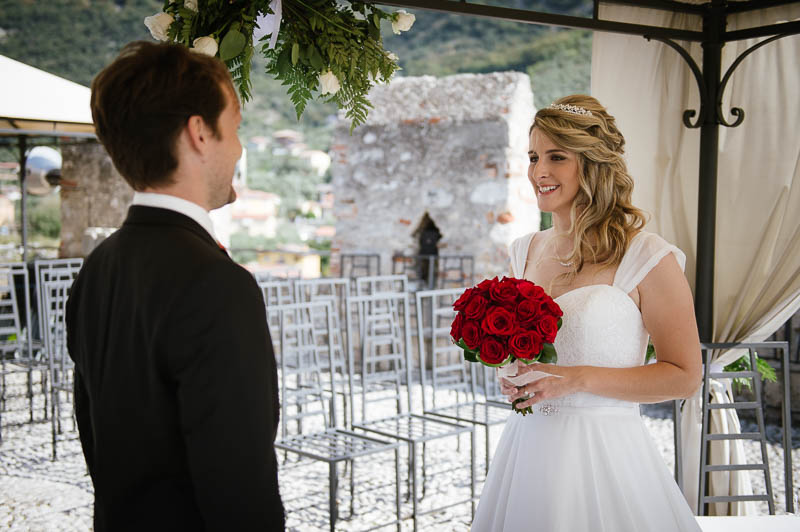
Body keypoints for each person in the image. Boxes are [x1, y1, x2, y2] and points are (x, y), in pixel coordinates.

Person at [66, 41, 284, 531]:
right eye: (235, 128)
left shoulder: (96, 269)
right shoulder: (219, 287)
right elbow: (240, 489)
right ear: (199, 133)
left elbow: (95, 438)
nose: (240, 148)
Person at [472, 95, 703, 531]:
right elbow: (534, 351)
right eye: (534, 156)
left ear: (593, 165)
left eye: (557, 157)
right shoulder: (524, 250)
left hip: (608, 454)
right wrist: (512, 370)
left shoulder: (647, 255)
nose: (540, 171)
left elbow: (686, 375)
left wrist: (579, 379)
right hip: (528, 450)